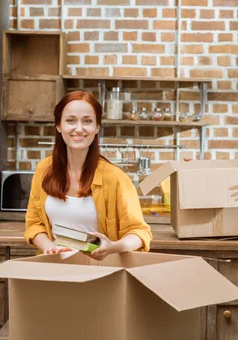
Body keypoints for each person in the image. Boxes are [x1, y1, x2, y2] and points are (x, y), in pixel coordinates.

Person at [25, 91, 152, 261]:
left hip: (101, 272)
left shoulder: (115, 178)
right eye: (71, 121)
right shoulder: (44, 169)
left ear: (97, 127)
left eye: (87, 121)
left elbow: (140, 232)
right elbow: (34, 225)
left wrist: (113, 247)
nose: (79, 128)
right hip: (53, 268)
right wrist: (50, 248)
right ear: (58, 125)